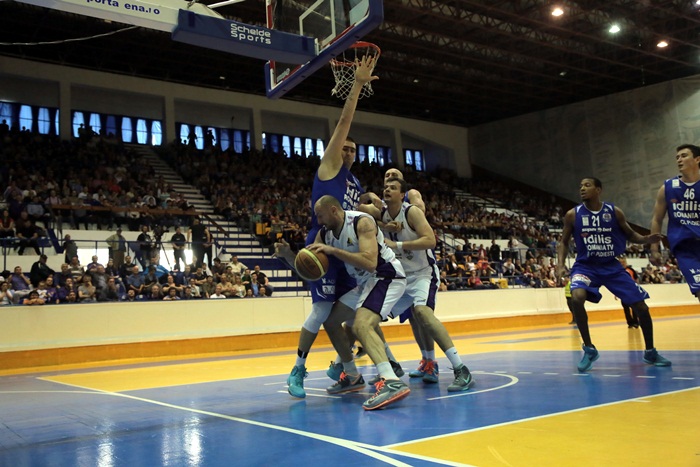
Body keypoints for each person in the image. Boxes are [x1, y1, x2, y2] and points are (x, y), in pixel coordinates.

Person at [275, 54, 377, 399]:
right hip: (323, 247)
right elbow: (344, 123)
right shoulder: (329, 168)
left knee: (352, 317)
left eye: (351, 149)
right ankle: (298, 369)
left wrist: (373, 206)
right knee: (321, 311)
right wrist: (357, 85)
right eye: (342, 147)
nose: (346, 150)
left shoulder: (354, 182)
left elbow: (358, 214)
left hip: (347, 250)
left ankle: (347, 369)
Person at [556, 177, 671, 371]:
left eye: (587, 185)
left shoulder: (613, 211)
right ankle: (589, 349)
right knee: (577, 297)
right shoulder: (572, 215)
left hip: (611, 266)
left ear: (598, 190)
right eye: (580, 185)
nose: (582, 188)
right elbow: (564, 242)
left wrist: (645, 239)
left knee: (641, 307)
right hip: (586, 267)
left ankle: (650, 352)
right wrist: (560, 264)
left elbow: (630, 234)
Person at [308, 195, 409, 410]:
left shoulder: (361, 222)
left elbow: (370, 262)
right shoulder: (324, 233)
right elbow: (310, 261)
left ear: (333, 210)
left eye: (320, 216)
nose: (319, 221)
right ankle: (352, 375)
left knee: (361, 325)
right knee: (331, 322)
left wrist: (334, 251)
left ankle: (391, 380)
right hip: (364, 283)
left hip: (385, 275)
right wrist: (290, 256)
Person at [378, 177, 474, 391]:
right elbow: (361, 209)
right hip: (400, 277)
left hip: (423, 274)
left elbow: (431, 240)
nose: (387, 189)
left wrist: (397, 244)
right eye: (385, 187)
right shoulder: (382, 214)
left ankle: (461, 369)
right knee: (368, 317)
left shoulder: (411, 212)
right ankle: (391, 365)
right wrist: (383, 225)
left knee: (422, 313)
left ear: (402, 194)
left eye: (393, 187)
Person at [650, 144, 700, 301]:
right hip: (685, 249)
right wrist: (654, 248)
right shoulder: (668, 188)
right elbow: (657, 219)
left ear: (697, 159)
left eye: (684, 156)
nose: (679, 159)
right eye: (677, 157)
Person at [618, 256, 639, 328]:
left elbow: (636, 279)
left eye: (623, 262)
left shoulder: (631, 270)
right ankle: (630, 323)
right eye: (620, 262)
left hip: (632, 291)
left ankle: (636, 322)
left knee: (634, 308)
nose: (622, 263)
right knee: (626, 309)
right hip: (623, 292)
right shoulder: (617, 271)